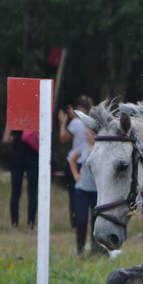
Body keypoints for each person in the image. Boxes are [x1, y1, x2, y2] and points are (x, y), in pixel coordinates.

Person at [59, 96, 92, 229]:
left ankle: (75, 224)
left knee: (74, 195)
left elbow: (63, 138)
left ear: (78, 107)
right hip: (87, 159)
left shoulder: (75, 123)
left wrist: (62, 122)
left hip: (75, 160)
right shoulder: (91, 122)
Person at [2, 124, 39, 232]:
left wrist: (15, 139)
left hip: (17, 157)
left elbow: (5, 139)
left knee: (15, 192)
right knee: (32, 192)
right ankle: (31, 224)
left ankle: (14, 225)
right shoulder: (36, 117)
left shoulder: (15, 117)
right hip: (33, 158)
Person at [69, 128, 98, 256]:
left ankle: (95, 249)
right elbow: (72, 160)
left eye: (87, 134)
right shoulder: (83, 147)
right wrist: (75, 174)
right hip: (82, 189)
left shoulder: (102, 148)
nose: (86, 136)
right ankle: (80, 250)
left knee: (96, 221)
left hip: (97, 190)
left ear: (95, 135)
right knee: (82, 220)